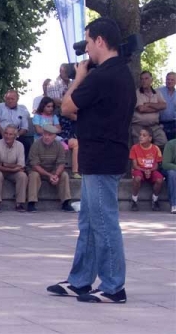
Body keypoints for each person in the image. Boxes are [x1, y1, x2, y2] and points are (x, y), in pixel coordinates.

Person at [49, 17, 135, 304]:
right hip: (103, 155)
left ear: (100, 41)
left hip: (101, 157)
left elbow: (67, 106)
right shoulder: (120, 72)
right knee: (88, 221)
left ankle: (113, 286)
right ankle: (80, 281)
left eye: (87, 41)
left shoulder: (102, 75)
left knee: (102, 221)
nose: (85, 48)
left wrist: (79, 76)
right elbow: (78, 112)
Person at [27, 125, 72, 213]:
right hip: (38, 171)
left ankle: (66, 203)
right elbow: (35, 165)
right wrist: (50, 175)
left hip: (52, 171)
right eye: (45, 134)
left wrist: (56, 175)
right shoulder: (36, 145)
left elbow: (61, 163)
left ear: (55, 136)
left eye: (50, 135)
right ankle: (31, 203)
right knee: (34, 175)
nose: (47, 137)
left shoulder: (59, 146)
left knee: (64, 175)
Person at [0, 125, 27, 213]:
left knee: (22, 175)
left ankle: (19, 203)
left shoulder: (20, 146)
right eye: (6, 133)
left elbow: (21, 166)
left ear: (15, 136)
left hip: (11, 172)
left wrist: (4, 164)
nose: (7, 136)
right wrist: (13, 168)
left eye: (10, 134)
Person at [129, 127, 164, 212]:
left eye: (144, 135)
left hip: (151, 170)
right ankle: (134, 200)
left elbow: (156, 165)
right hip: (139, 170)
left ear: (150, 138)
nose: (141, 137)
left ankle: (155, 200)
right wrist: (144, 170)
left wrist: (150, 170)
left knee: (160, 179)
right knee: (137, 178)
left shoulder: (156, 148)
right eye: (140, 135)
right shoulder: (134, 148)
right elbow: (135, 165)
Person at [131, 71, 167, 148]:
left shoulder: (157, 92)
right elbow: (141, 109)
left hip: (154, 126)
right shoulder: (137, 93)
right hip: (139, 126)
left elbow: (164, 105)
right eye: (142, 79)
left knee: (163, 142)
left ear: (151, 80)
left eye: (146, 78)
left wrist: (149, 104)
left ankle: (156, 159)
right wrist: (157, 108)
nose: (144, 81)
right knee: (140, 148)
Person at [0, 90, 31, 157]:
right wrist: (3, 133)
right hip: (0, 133)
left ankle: (22, 165)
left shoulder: (22, 110)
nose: (10, 101)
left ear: (17, 99)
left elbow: (24, 127)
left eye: (12, 99)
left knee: (26, 143)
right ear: (5, 99)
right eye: (8, 99)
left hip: (15, 134)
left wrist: (16, 135)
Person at [158, 72, 176, 140]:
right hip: (161, 123)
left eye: (172, 80)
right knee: (163, 144)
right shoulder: (158, 91)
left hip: (173, 124)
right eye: (168, 79)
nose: (169, 81)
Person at [161, 138, 176, 214]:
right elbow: (165, 164)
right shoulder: (170, 144)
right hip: (172, 170)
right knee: (172, 174)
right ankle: (174, 205)